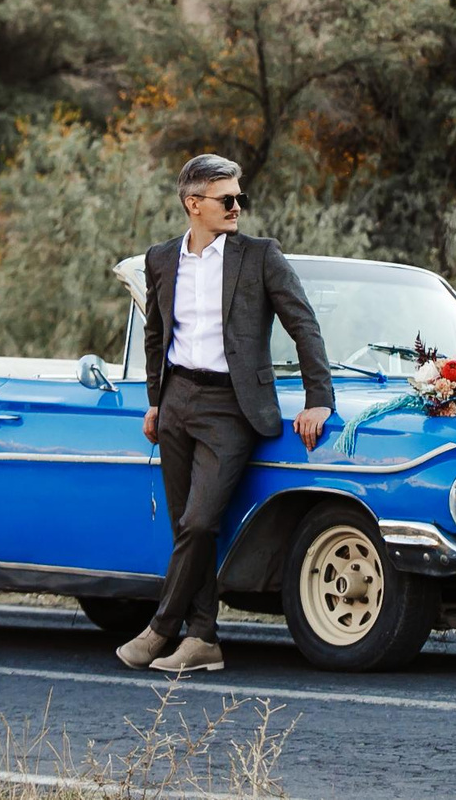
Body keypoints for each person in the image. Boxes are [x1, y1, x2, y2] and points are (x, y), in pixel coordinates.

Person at [114, 154, 337, 676]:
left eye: (240, 198)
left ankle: (161, 629)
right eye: (226, 199)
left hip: (232, 408)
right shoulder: (161, 259)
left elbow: (304, 326)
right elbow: (155, 336)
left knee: (198, 521)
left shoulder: (260, 257)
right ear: (194, 204)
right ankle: (203, 639)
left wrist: (318, 398)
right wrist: (155, 400)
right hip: (176, 405)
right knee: (186, 529)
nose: (238, 207)